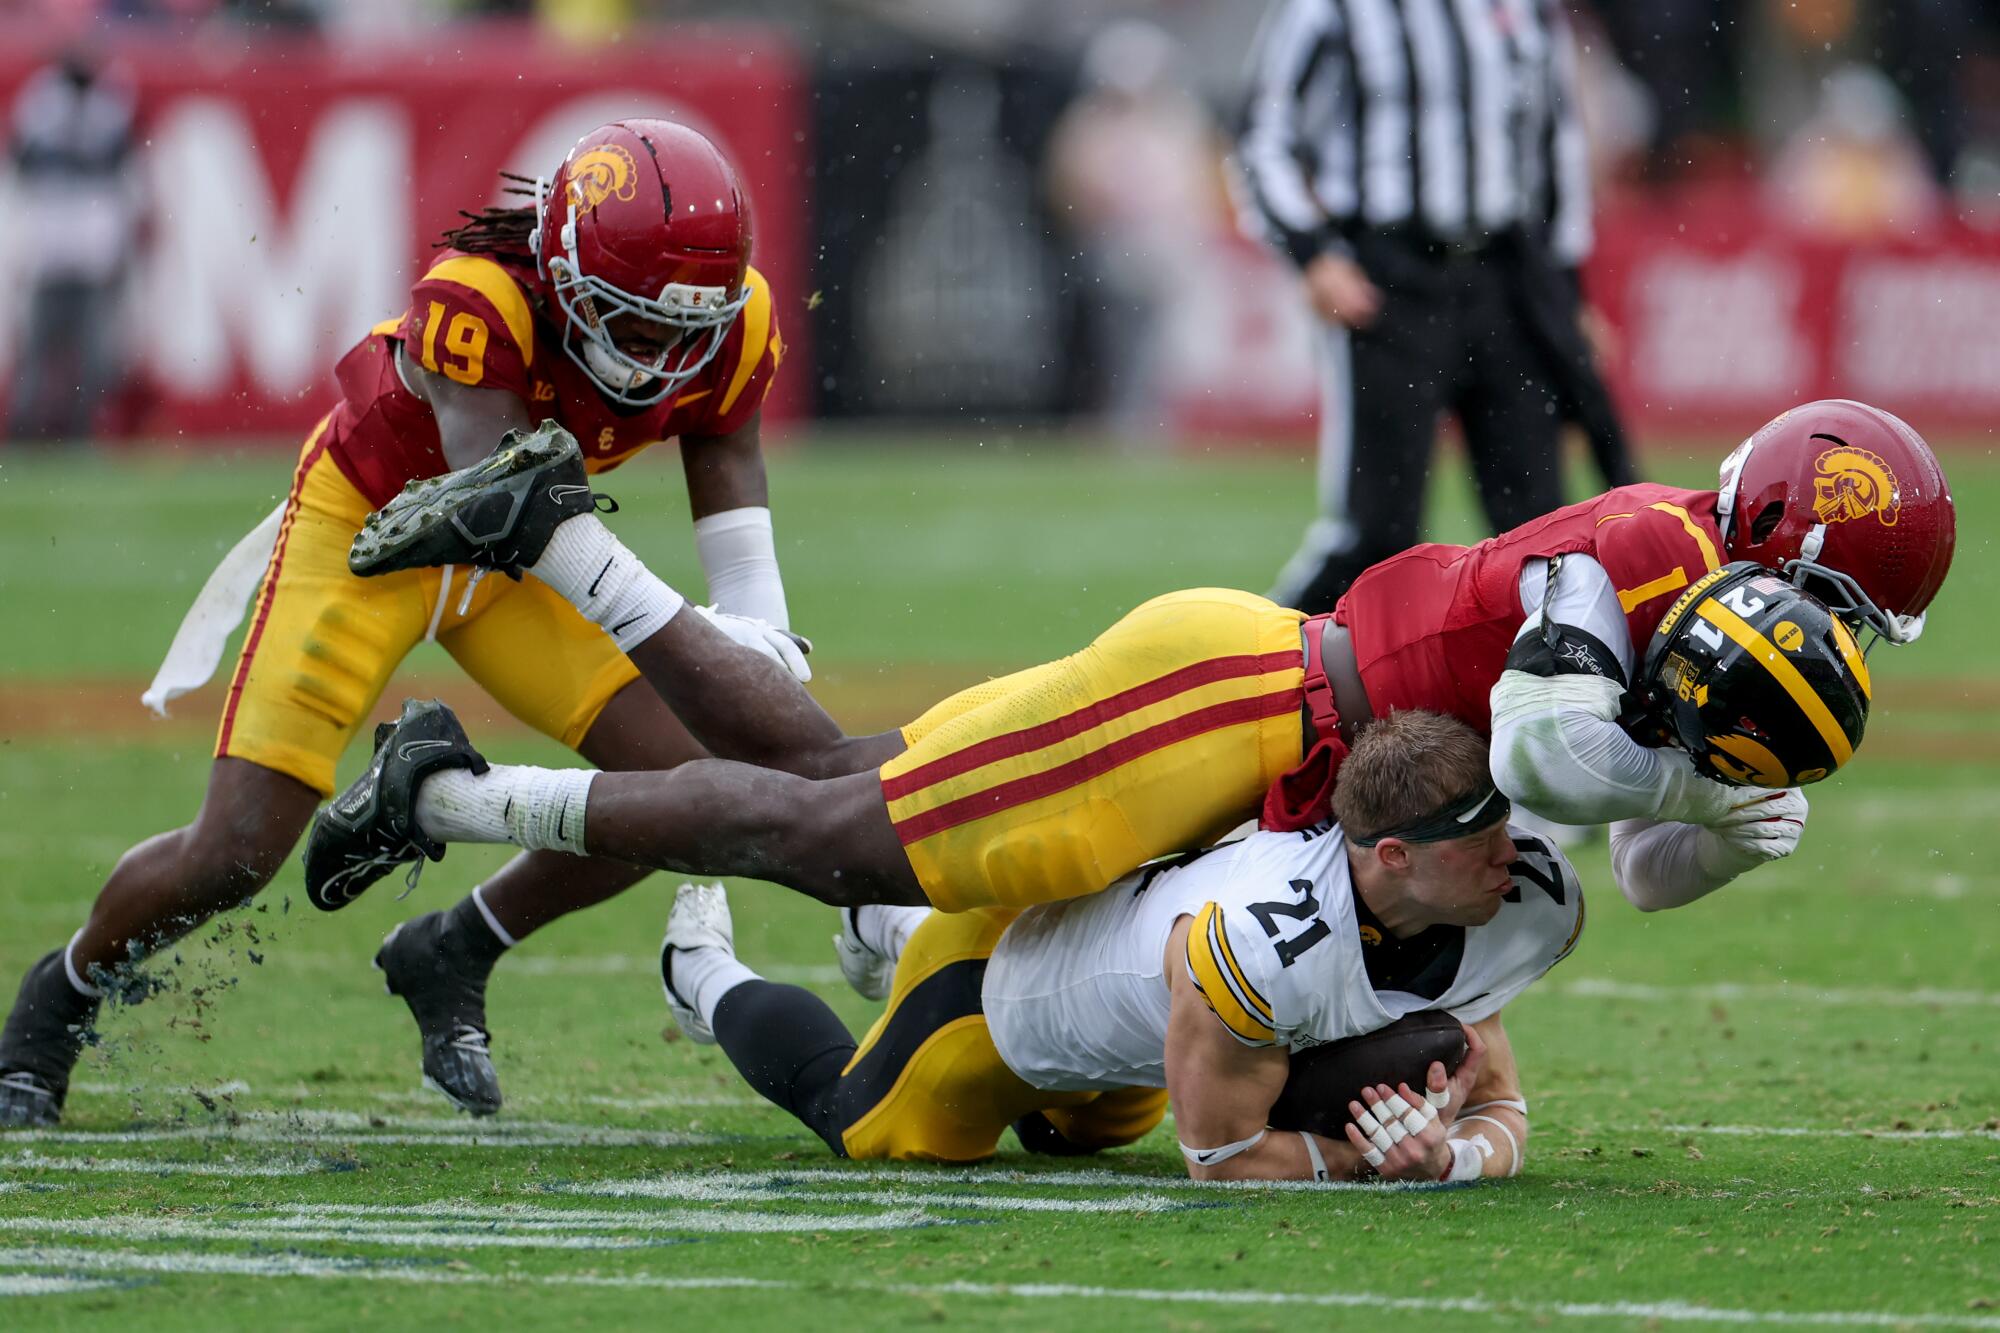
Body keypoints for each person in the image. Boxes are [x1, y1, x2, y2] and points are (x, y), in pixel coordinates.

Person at [303, 398, 1923, 935]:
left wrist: (1720, 823)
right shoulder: (1656, 549)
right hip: (1250, 702)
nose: (1839, 661)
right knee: (848, 841)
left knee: (844, 779)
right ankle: (444, 787)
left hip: (1281, 749)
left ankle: (562, 549)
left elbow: (1635, 870)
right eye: (1845, 616)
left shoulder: (1710, 616)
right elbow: (1554, 748)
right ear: (1791, 549)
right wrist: (1686, 777)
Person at [0, 119, 801, 1128]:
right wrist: (696, 648)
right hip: (382, 532)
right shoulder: (480, 301)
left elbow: (724, 462)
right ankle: (58, 993)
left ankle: (457, 944)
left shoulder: (729, 326)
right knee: (239, 848)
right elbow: (512, 504)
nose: (660, 357)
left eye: (683, 331)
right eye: (632, 325)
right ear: (560, 273)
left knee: (692, 791)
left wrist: (760, 637)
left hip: (522, 560)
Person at [658, 710, 1576, 1181]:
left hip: (1146, 1045)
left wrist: (1448, 1157)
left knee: (1079, 1137)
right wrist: (1366, 1160)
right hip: (997, 996)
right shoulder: (1267, 944)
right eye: (1477, 838)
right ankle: (702, 973)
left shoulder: (1497, 898)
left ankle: (883, 922)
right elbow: (1220, 1158)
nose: (1514, 856)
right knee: (861, 1122)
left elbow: (1499, 1103)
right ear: (1393, 856)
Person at [1237, 0, 1635, 615]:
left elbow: (1553, 146)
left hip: (1507, 280)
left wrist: (1568, 292)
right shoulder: (1337, 9)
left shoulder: (1526, 9)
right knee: (1375, 536)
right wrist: (1313, 253)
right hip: (1391, 281)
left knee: (1543, 525)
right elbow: (1263, 135)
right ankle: (1263, 671)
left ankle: (1541, 691)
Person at [4, 49, 143, 442]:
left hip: (91, 254)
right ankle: (25, 433)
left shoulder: (108, 106)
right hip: (51, 253)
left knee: (92, 357)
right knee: (37, 353)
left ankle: (82, 432)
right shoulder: (43, 105)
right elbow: (23, 163)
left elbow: (121, 170)